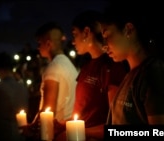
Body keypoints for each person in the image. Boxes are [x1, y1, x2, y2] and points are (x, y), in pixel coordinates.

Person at [99, 0, 164, 125]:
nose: (104, 46)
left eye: (107, 36)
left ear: (128, 30)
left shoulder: (156, 76)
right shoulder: (132, 75)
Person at [54, 10, 128, 141]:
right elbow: (82, 116)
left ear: (87, 32)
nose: (73, 41)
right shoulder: (86, 67)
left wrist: (81, 132)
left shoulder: (111, 66)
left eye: (74, 34)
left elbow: (116, 123)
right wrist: (61, 125)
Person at [21, 21, 78, 140]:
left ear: (48, 44)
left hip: (56, 133)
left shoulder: (53, 68)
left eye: (39, 43)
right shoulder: (68, 65)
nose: (37, 47)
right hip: (69, 132)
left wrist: (32, 128)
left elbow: (48, 109)